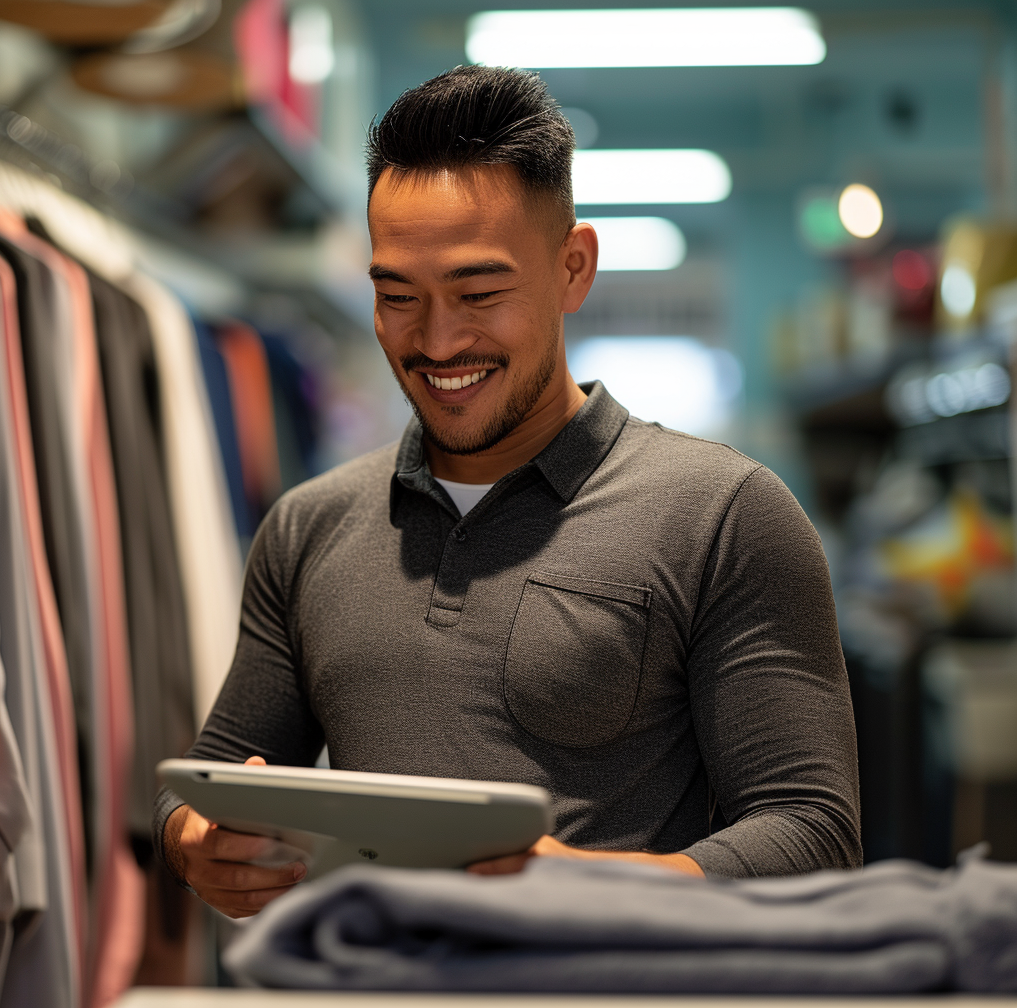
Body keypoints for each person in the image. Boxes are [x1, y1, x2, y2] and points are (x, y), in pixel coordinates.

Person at [153, 65, 861, 919]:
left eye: (479, 294)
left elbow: (813, 831)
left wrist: (596, 886)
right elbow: (217, 773)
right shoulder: (309, 526)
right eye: (397, 296)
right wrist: (196, 842)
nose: (438, 339)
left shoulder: (725, 514)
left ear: (573, 267)